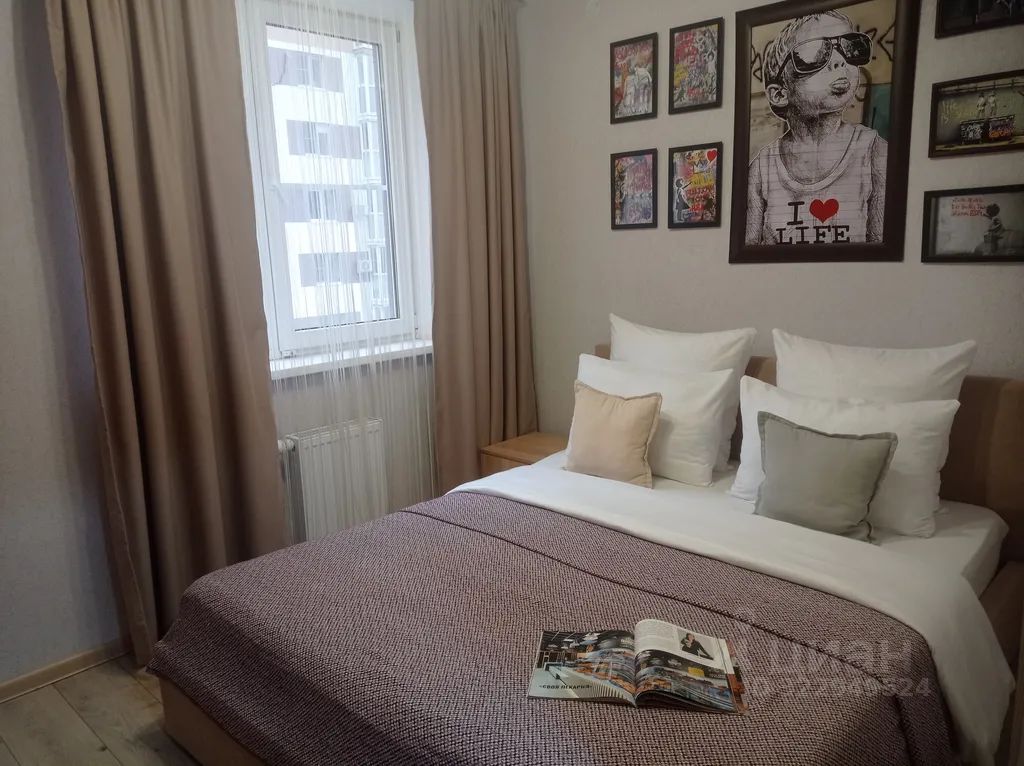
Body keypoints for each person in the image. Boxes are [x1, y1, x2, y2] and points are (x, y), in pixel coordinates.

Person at [745, 11, 887, 245]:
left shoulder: (874, 153)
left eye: (850, 47)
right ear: (780, 94)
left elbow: (882, 246)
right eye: (815, 53)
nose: (840, 61)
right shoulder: (762, 168)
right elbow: (748, 246)